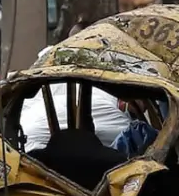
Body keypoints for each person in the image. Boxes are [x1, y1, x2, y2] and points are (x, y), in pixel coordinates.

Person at [20, 20, 133, 152]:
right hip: (52, 150)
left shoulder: (47, 65)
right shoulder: (104, 87)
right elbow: (131, 136)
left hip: (24, 144)